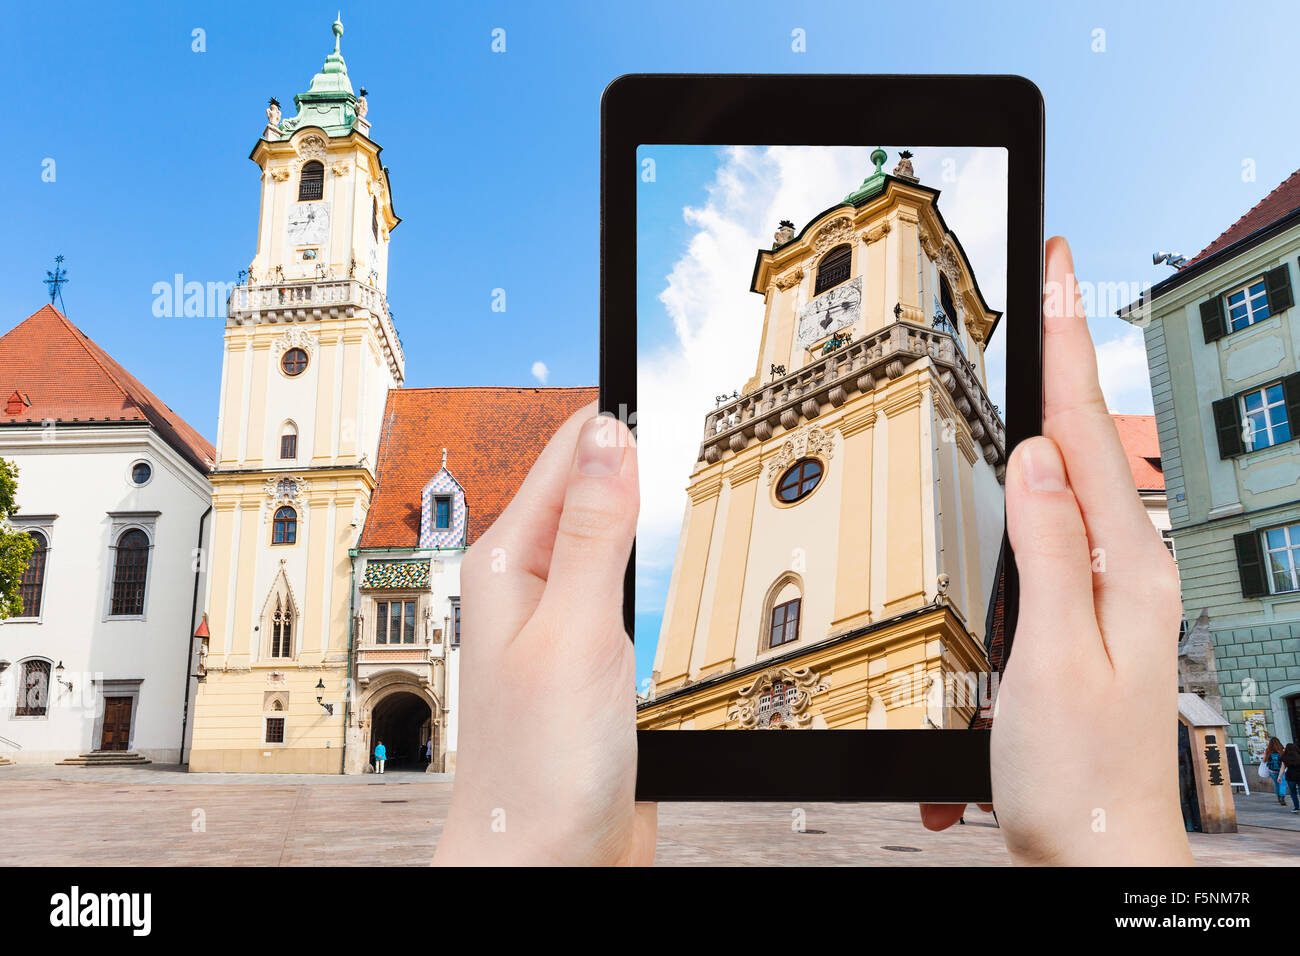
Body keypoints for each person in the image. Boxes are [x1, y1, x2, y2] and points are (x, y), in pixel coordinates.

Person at [432, 237, 1194, 866]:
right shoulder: (756, 421)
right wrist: (1121, 844)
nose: (829, 274)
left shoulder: (933, 383)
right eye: (819, 265)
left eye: (841, 260)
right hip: (712, 695)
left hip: (912, 648)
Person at [1264, 737, 1287, 805]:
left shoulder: (1268, 750)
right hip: (1281, 770)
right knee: (1282, 783)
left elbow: (1264, 760)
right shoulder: (1282, 750)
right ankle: (1282, 798)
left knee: (1276, 784)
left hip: (1272, 770)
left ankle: (1279, 797)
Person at [1282, 743, 1300, 813]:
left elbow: (1282, 768)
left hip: (1290, 777)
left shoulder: (1285, 757)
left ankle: (1296, 807)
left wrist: (1279, 776)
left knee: (1293, 793)